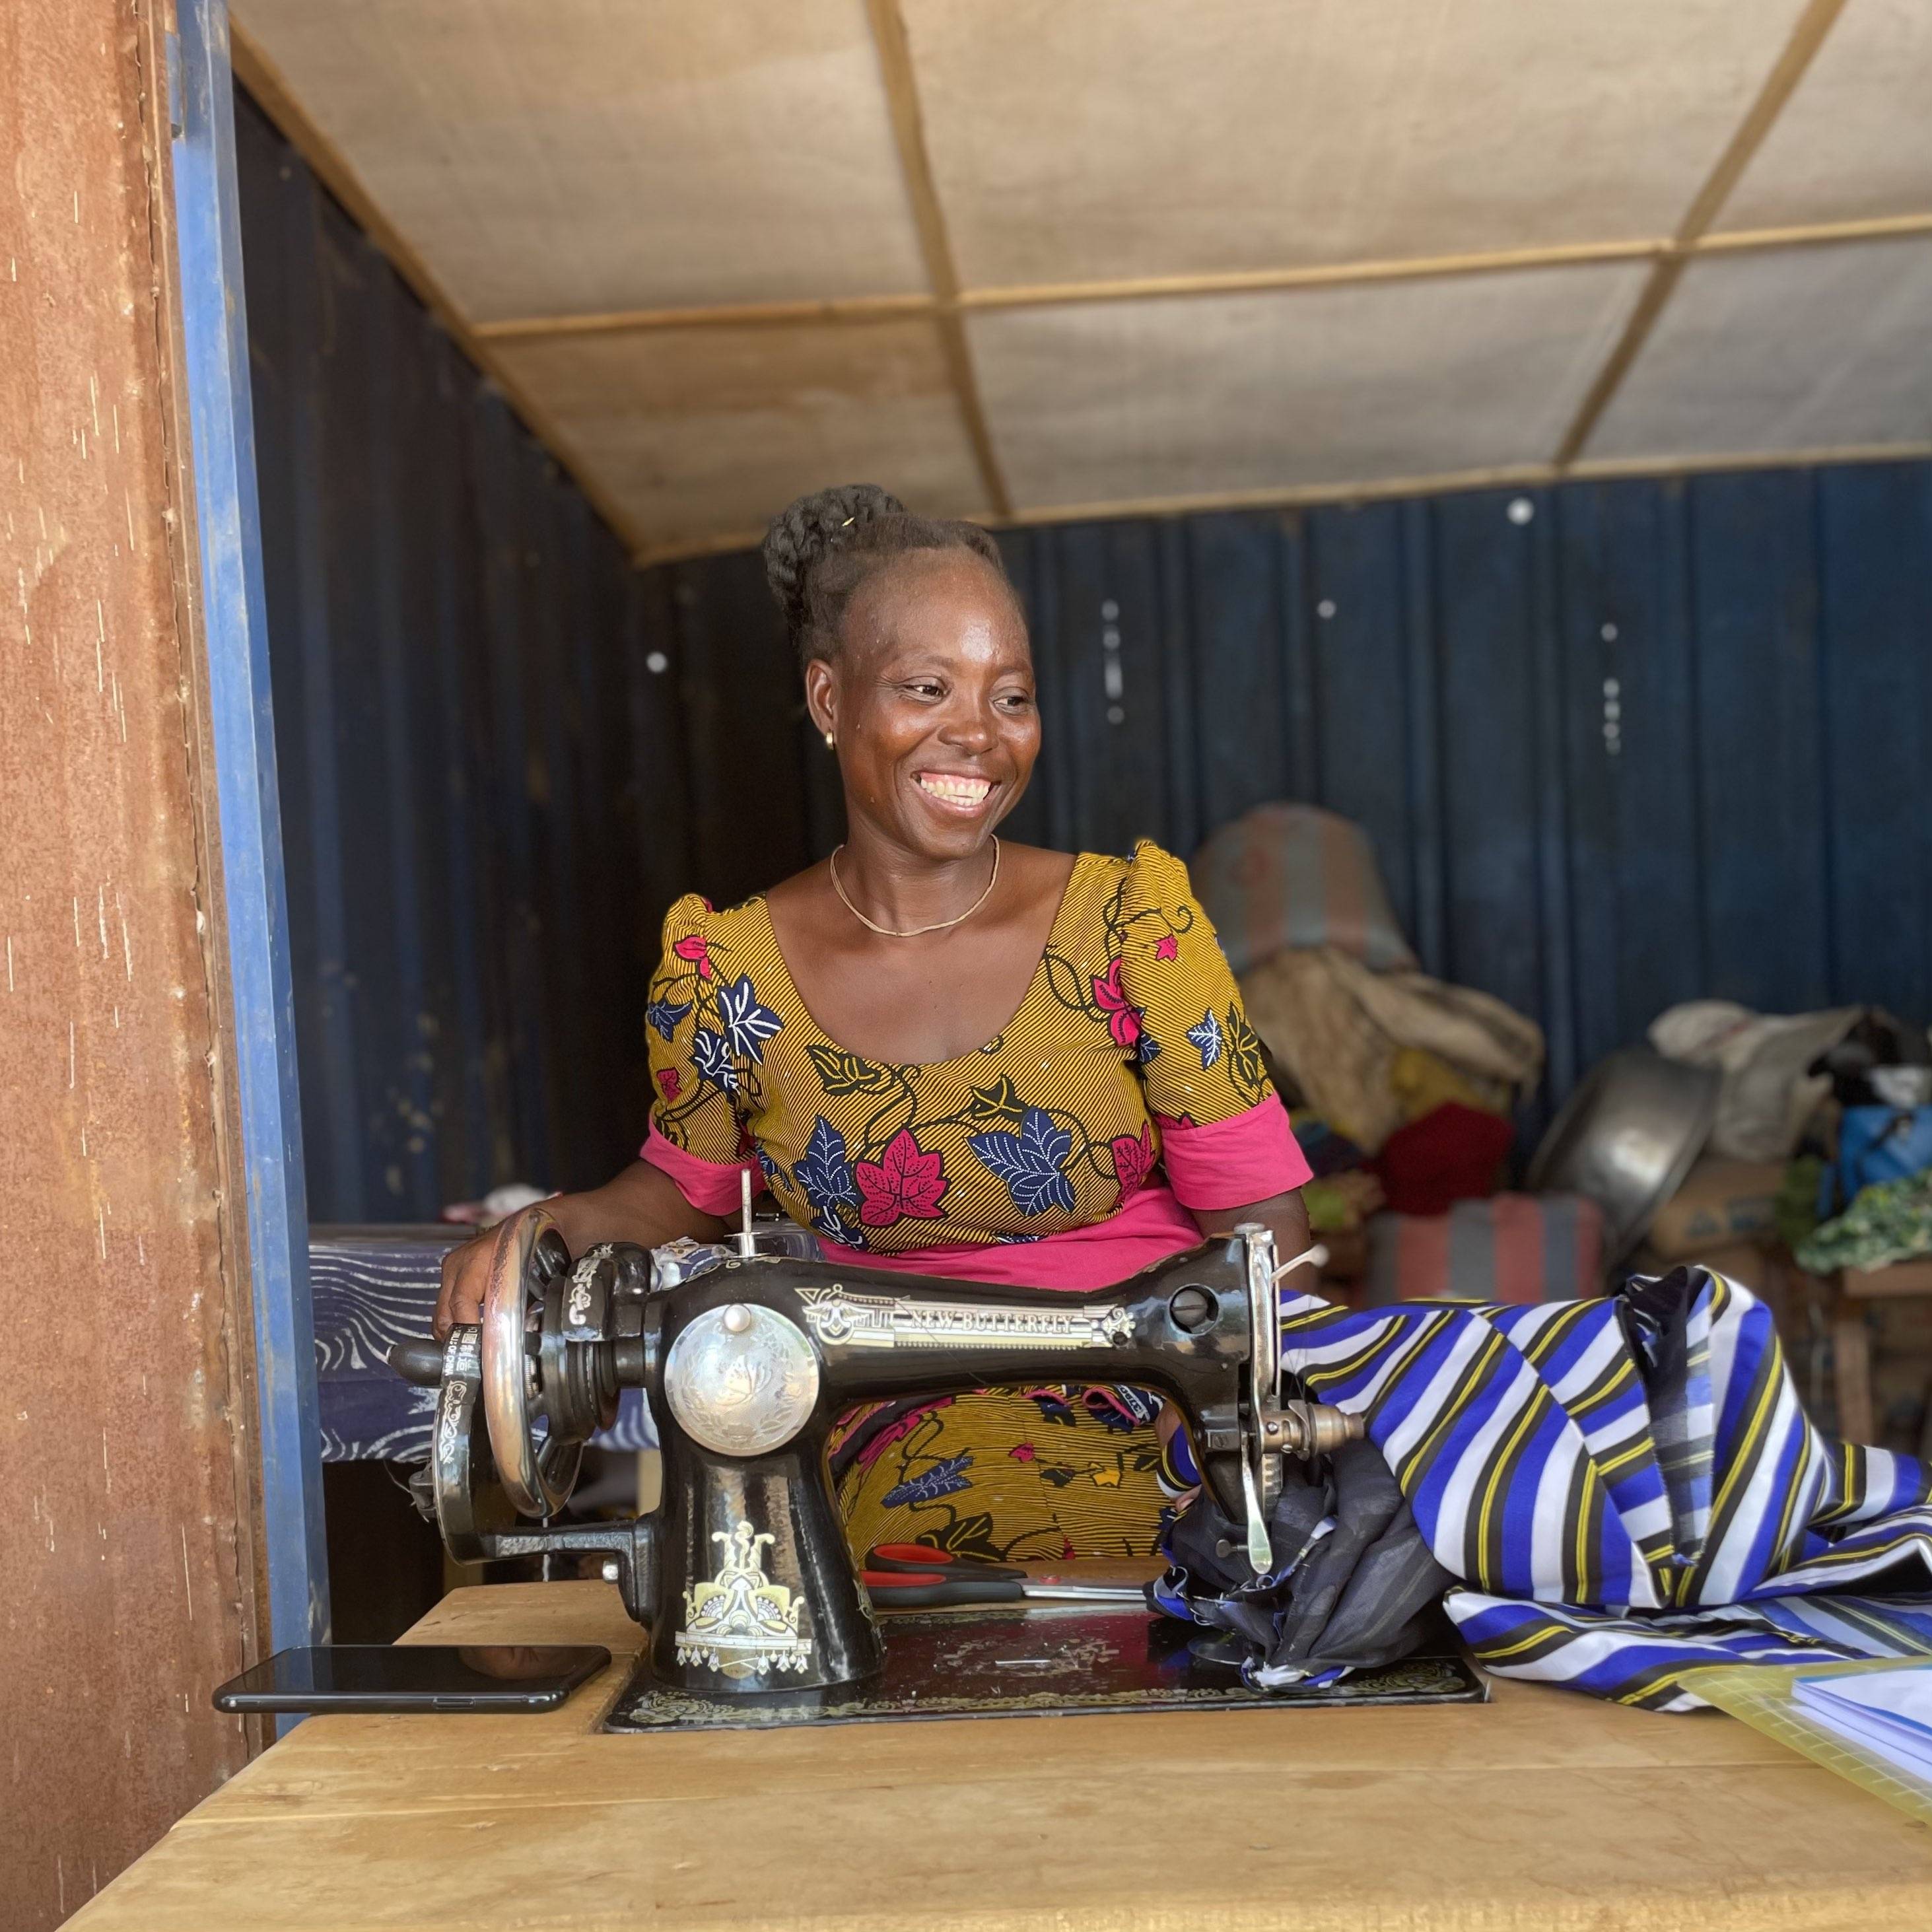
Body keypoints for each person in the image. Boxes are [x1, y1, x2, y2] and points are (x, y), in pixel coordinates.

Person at [436, 483, 1313, 1560]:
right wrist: (544, 1230)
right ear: (827, 697)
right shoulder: (724, 973)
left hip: (1160, 1400)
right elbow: (683, 1194)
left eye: (1012, 697)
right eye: (926, 687)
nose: (978, 737)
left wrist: (1254, 1447)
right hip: (894, 1420)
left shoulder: (1132, 924)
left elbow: (1267, 1236)